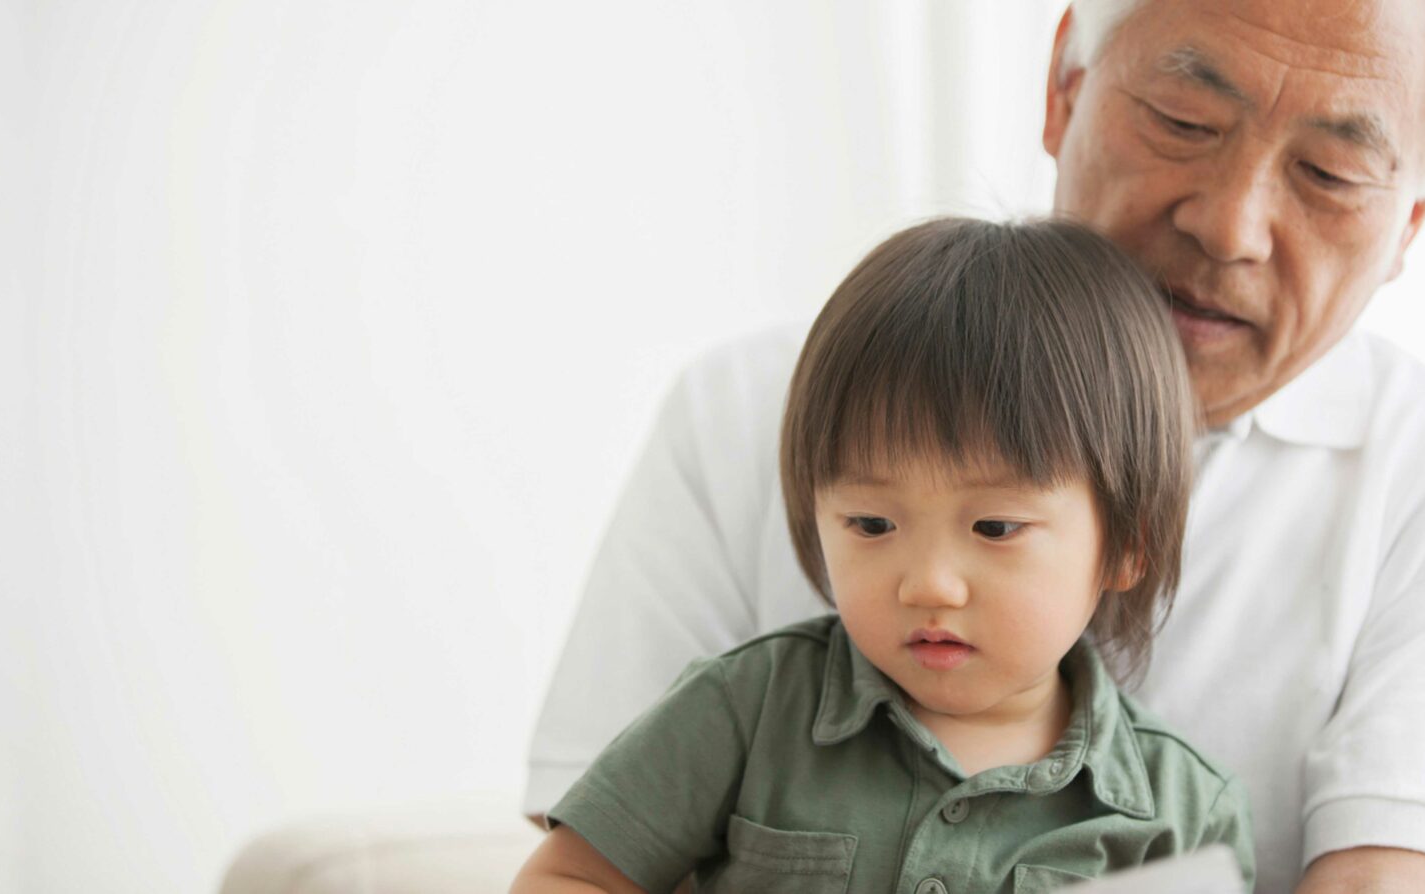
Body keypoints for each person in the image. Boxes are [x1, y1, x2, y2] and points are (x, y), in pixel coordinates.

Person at [525, 1, 1425, 892]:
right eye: (1182, 118)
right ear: (1062, 87)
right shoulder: (748, 408)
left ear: (1407, 224)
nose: (1230, 226)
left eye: (1327, 174)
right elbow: (603, 848)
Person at [512, 217, 1254, 894]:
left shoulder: (1180, 810)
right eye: (870, 523)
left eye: (995, 528)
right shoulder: (744, 708)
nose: (928, 584)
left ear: (1125, 545)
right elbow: (572, 875)